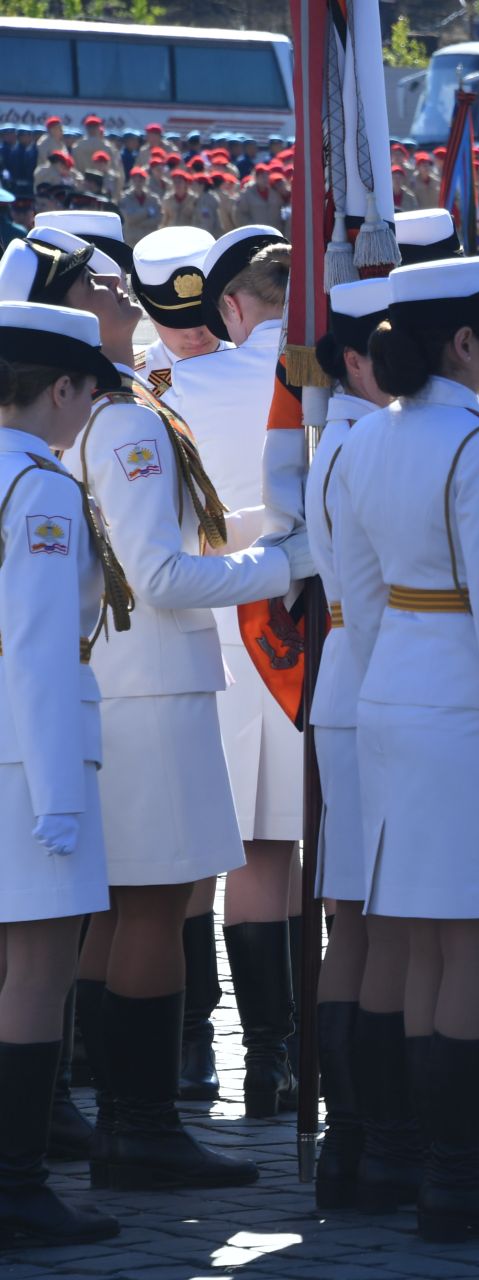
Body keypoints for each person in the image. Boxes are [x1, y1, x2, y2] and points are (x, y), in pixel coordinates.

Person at [0, 231, 293, 1190]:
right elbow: (160, 573)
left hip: (127, 681)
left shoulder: (111, 411)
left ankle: (83, 1111)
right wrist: (286, 564)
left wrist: (276, 528)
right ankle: (140, 1123)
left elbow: (171, 533)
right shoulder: (122, 419)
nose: (121, 288)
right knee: (152, 910)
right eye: (99, 281)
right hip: (151, 683)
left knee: (124, 908)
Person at [329, 255, 479, 1239]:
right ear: (464, 343)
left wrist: (388, 686)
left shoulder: (361, 441)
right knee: (473, 939)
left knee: (424, 936)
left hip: (390, 691)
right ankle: (459, 1178)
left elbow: (360, 592)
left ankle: (421, 1161)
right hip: (468, 708)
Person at [163, 223, 309, 1114]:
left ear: (228, 306)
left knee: (203, 856)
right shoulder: (326, 390)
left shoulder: (172, 383)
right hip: (296, 635)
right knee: (283, 853)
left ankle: (201, 1047)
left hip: (205, 632)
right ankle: (280, 1056)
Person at [0, 300, 124, 1247]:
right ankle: (17, 1182)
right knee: (36, 971)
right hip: (27, 753)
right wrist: (56, 797)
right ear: (64, 388)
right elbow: (41, 652)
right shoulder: (38, 489)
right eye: (86, 393)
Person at [303, 277, 401, 1214]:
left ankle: (354, 1132)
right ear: (359, 360)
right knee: (384, 917)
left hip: (346, 677)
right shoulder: (375, 438)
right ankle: (377, 1128)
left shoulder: (339, 437)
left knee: (353, 914)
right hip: (379, 680)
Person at [125, 227, 223, 399]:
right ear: (148, 311)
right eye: (176, 322)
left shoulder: (259, 365)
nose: (194, 333)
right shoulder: (133, 383)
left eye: (203, 317)